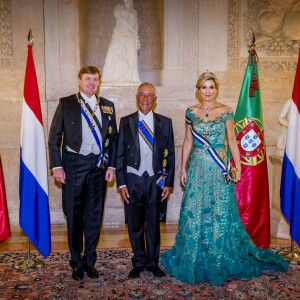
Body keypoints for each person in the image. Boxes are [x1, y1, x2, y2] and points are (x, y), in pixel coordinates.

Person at [161, 71, 289, 285]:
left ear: (216, 90)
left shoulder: (226, 111)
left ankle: (219, 256)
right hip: (198, 168)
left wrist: (237, 165)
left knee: (221, 212)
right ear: (198, 90)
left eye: (211, 87)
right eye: (204, 87)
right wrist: (183, 168)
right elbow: (188, 142)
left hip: (219, 168)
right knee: (195, 211)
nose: (207, 91)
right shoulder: (191, 112)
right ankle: (195, 255)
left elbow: (232, 140)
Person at [48, 66, 118, 281]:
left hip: (98, 166)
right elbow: (54, 138)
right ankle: (76, 261)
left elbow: (113, 140)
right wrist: (57, 166)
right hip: (74, 165)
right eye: (87, 79)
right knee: (75, 215)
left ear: (99, 82)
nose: (91, 83)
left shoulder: (107, 106)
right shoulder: (66, 103)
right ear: (79, 81)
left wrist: (112, 166)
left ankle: (89, 261)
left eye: (95, 80)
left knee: (94, 216)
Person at [116, 82, 175, 279]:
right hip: (133, 179)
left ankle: (152, 262)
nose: (145, 99)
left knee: (153, 223)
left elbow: (171, 154)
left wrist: (168, 182)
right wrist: (122, 183)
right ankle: (139, 262)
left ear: (155, 100)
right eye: (142, 94)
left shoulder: (165, 123)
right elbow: (120, 153)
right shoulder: (126, 122)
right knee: (134, 223)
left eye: (150, 95)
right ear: (137, 97)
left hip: (155, 180)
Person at [102, 0, 140, 84]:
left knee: (128, 57)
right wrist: (131, 29)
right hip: (118, 34)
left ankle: (127, 78)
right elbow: (120, 19)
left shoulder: (134, 12)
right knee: (112, 53)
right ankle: (109, 77)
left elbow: (136, 26)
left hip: (130, 37)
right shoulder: (118, 7)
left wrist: (137, 38)